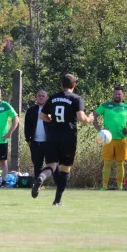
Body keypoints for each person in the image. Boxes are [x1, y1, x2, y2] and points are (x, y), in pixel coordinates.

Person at [31, 74, 94, 205]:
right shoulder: (77, 98)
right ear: (74, 85)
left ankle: (41, 178)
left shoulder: (53, 98)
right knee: (65, 169)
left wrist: (50, 119)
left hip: (52, 137)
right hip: (68, 138)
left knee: (51, 165)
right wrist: (90, 118)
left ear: (62, 85)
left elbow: (42, 116)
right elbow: (81, 118)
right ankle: (57, 200)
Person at [93, 87, 127, 190]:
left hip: (121, 139)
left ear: (124, 96)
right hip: (107, 140)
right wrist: (99, 130)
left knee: (120, 164)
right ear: (113, 95)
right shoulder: (105, 106)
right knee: (107, 163)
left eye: (120, 94)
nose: (118, 95)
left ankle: (120, 187)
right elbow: (94, 116)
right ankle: (104, 187)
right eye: (116, 94)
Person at [24, 90, 49, 179]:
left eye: (43, 96)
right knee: (37, 164)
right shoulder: (31, 111)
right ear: (36, 98)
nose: (41, 97)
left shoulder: (51, 110)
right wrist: (28, 139)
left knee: (51, 164)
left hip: (48, 142)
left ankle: (54, 182)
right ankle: (37, 183)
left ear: (47, 98)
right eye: (39, 96)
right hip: (35, 142)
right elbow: (26, 126)